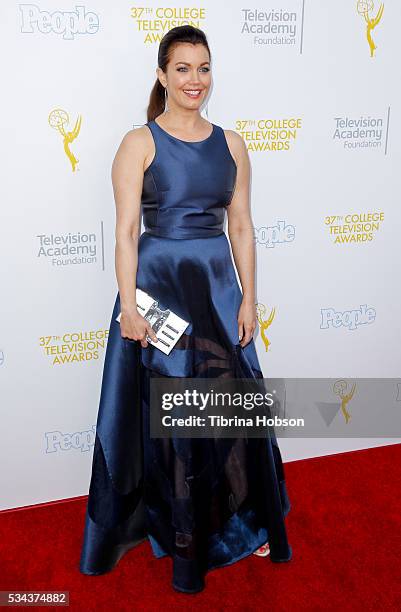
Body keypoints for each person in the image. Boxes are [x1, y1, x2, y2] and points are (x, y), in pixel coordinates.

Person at [79, 25, 292, 594]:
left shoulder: (233, 143)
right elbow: (125, 233)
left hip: (217, 287)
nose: (194, 80)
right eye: (182, 69)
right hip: (158, 287)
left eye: (203, 68)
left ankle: (241, 523)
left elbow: (241, 226)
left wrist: (249, 296)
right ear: (162, 74)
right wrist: (128, 305)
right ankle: (176, 531)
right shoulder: (139, 142)